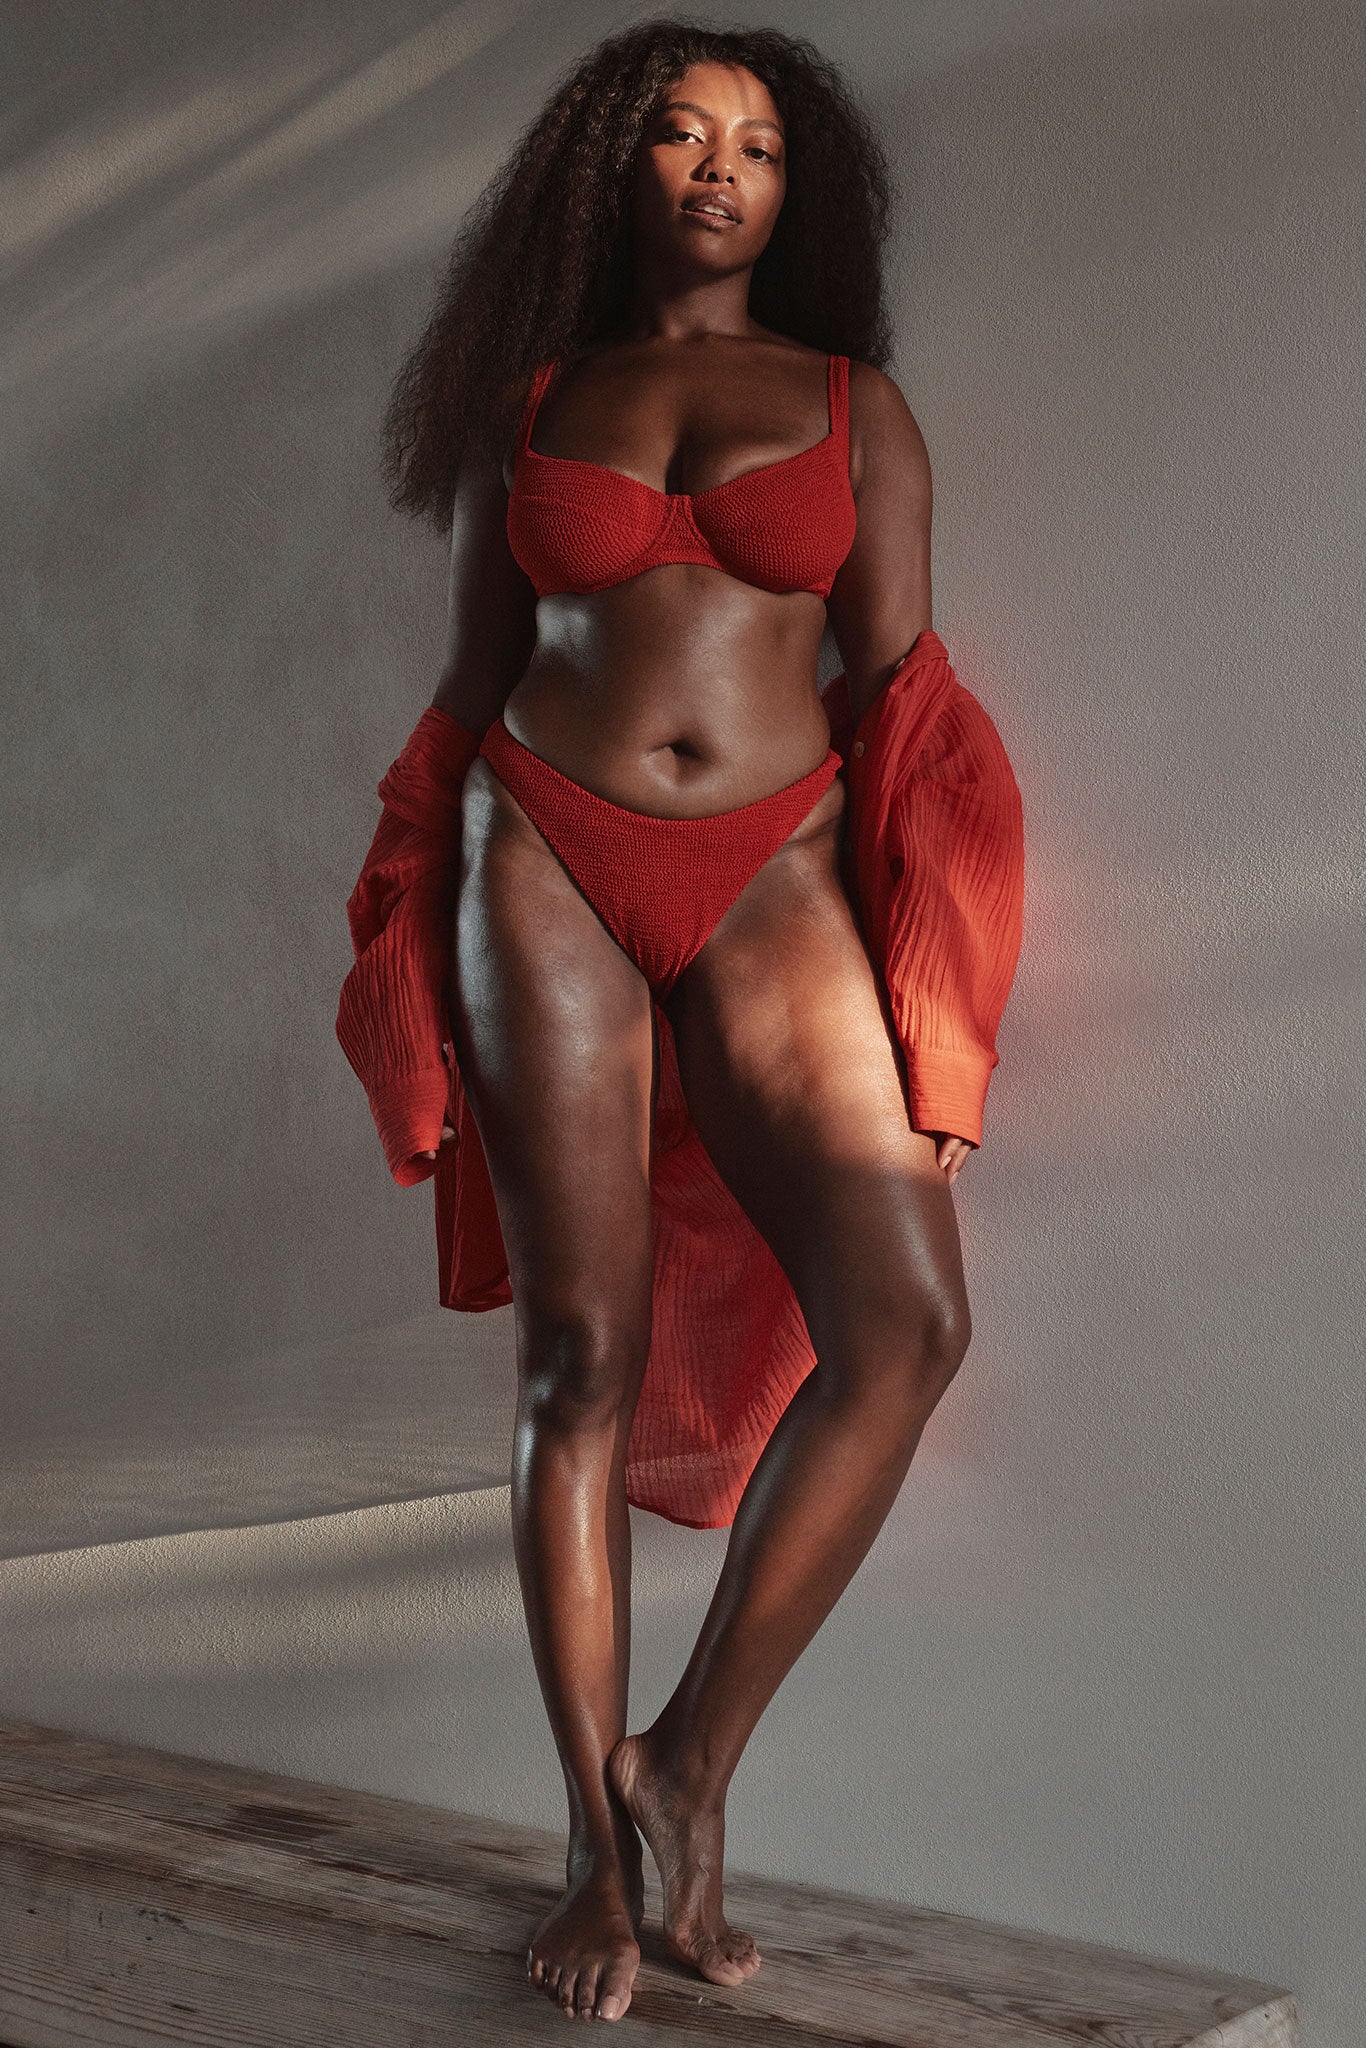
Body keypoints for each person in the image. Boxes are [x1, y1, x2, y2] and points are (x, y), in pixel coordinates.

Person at [336, 20, 1025, 2026]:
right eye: (675, 130)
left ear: (795, 187)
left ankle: (684, 1760)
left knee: (905, 1322)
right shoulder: (531, 400)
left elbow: (902, 709)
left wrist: (940, 1019)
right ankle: (584, 1849)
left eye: (754, 142)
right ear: (606, 168)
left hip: (775, 865)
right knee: (579, 1360)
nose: (717, 165)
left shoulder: (849, 405)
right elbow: (469, 688)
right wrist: (404, 939)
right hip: (535, 849)